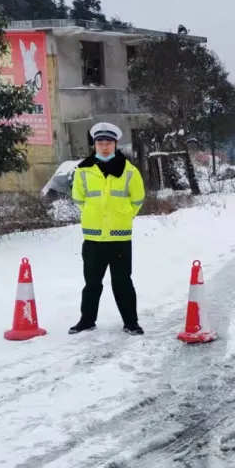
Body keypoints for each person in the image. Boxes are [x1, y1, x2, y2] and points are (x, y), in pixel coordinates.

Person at [69, 122, 146, 336]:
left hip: (119, 238)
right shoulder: (83, 171)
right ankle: (87, 321)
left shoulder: (129, 171)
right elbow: (79, 199)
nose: (104, 146)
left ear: (115, 144)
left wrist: (122, 217)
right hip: (93, 239)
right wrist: (95, 217)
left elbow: (137, 200)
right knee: (92, 284)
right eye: (100, 142)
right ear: (94, 145)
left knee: (122, 282)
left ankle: (131, 322)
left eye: (109, 142)